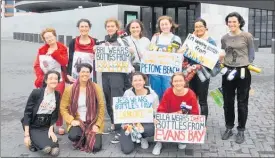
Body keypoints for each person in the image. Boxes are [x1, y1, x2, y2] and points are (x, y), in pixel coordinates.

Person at [220, 12, 255, 144]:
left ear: (239, 22)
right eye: (229, 22)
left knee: (242, 102)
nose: (232, 24)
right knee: (228, 101)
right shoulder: (224, 38)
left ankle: (241, 130)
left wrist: (248, 63)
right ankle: (229, 127)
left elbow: (251, 52)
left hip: (243, 71)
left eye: (234, 21)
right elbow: (223, 52)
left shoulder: (247, 36)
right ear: (227, 23)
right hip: (228, 70)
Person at [98, 18, 131, 143]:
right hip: (105, 73)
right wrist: (97, 50)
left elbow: (129, 55)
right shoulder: (102, 42)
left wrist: (130, 51)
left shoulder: (122, 41)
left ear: (117, 28)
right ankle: (113, 123)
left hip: (118, 74)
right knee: (107, 98)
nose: (110, 28)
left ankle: (119, 129)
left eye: (112, 26)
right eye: (108, 26)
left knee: (116, 100)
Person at [60, 63, 105, 153]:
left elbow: (101, 107)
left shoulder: (96, 88)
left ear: (90, 74)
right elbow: (63, 108)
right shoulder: (70, 89)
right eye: (83, 71)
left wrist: (97, 124)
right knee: (73, 136)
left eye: (87, 72)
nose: (85, 74)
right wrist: (71, 120)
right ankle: (84, 135)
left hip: (93, 121)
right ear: (78, 73)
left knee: (96, 147)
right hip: (78, 120)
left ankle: (86, 135)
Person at [153, 72, 199, 155]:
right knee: (159, 121)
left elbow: (195, 112)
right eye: (175, 81)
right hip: (169, 117)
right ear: (172, 83)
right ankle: (159, 142)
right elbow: (162, 108)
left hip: (183, 119)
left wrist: (199, 124)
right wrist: (159, 118)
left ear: (185, 82)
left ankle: (181, 139)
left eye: (180, 81)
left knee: (182, 142)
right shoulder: (168, 92)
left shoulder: (191, 94)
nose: (178, 83)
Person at [34, 28, 68, 134]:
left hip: (59, 79)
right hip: (46, 79)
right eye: (46, 38)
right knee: (47, 101)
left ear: (55, 36)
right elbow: (37, 65)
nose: (49, 39)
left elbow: (64, 62)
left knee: (58, 100)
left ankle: (59, 124)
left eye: (50, 36)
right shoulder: (42, 50)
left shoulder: (62, 48)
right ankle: (48, 124)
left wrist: (55, 53)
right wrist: (40, 77)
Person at [21, 70, 62, 156]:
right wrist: (26, 135)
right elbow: (27, 113)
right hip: (34, 125)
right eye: (51, 78)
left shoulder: (57, 95)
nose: (53, 80)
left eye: (56, 79)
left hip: (46, 126)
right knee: (46, 149)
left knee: (55, 151)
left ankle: (39, 142)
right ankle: (32, 140)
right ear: (46, 80)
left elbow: (55, 114)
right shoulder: (36, 93)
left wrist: (51, 130)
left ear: (58, 81)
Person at [119, 72, 159, 154]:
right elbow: (122, 110)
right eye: (135, 80)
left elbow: (156, 110)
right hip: (130, 123)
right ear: (132, 82)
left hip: (146, 122)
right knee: (127, 150)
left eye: (140, 80)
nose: (138, 82)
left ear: (144, 81)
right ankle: (133, 137)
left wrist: (154, 118)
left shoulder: (153, 95)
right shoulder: (128, 93)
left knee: (153, 128)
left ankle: (142, 137)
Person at [186, 18, 217, 121]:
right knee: (191, 98)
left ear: (205, 27)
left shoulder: (210, 41)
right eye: (196, 27)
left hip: (203, 73)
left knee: (202, 100)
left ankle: (203, 122)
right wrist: (192, 38)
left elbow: (213, 59)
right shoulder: (192, 40)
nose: (198, 28)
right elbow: (186, 55)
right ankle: (192, 120)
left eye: (200, 26)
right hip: (191, 72)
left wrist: (200, 65)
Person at [149, 16, 182, 100]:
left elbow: (180, 56)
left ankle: (167, 112)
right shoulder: (155, 38)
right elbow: (150, 54)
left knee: (168, 94)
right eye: (162, 24)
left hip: (169, 72)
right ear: (159, 26)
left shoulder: (176, 39)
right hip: (155, 71)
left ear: (171, 24)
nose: (164, 26)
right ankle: (156, 112)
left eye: (166, 24)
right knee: (155, 94)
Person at [67, 19, 98, 83]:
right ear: (78, 28)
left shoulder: (95, 42)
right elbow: (70, 60)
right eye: (82, 26)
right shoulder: (73, 42)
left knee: (90, 92)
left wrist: (97, 53)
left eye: (86, 26)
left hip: (90, 75)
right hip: (75, 74)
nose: (84, 29)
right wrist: (68, 74)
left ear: (89, 28)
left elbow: (100, 61)